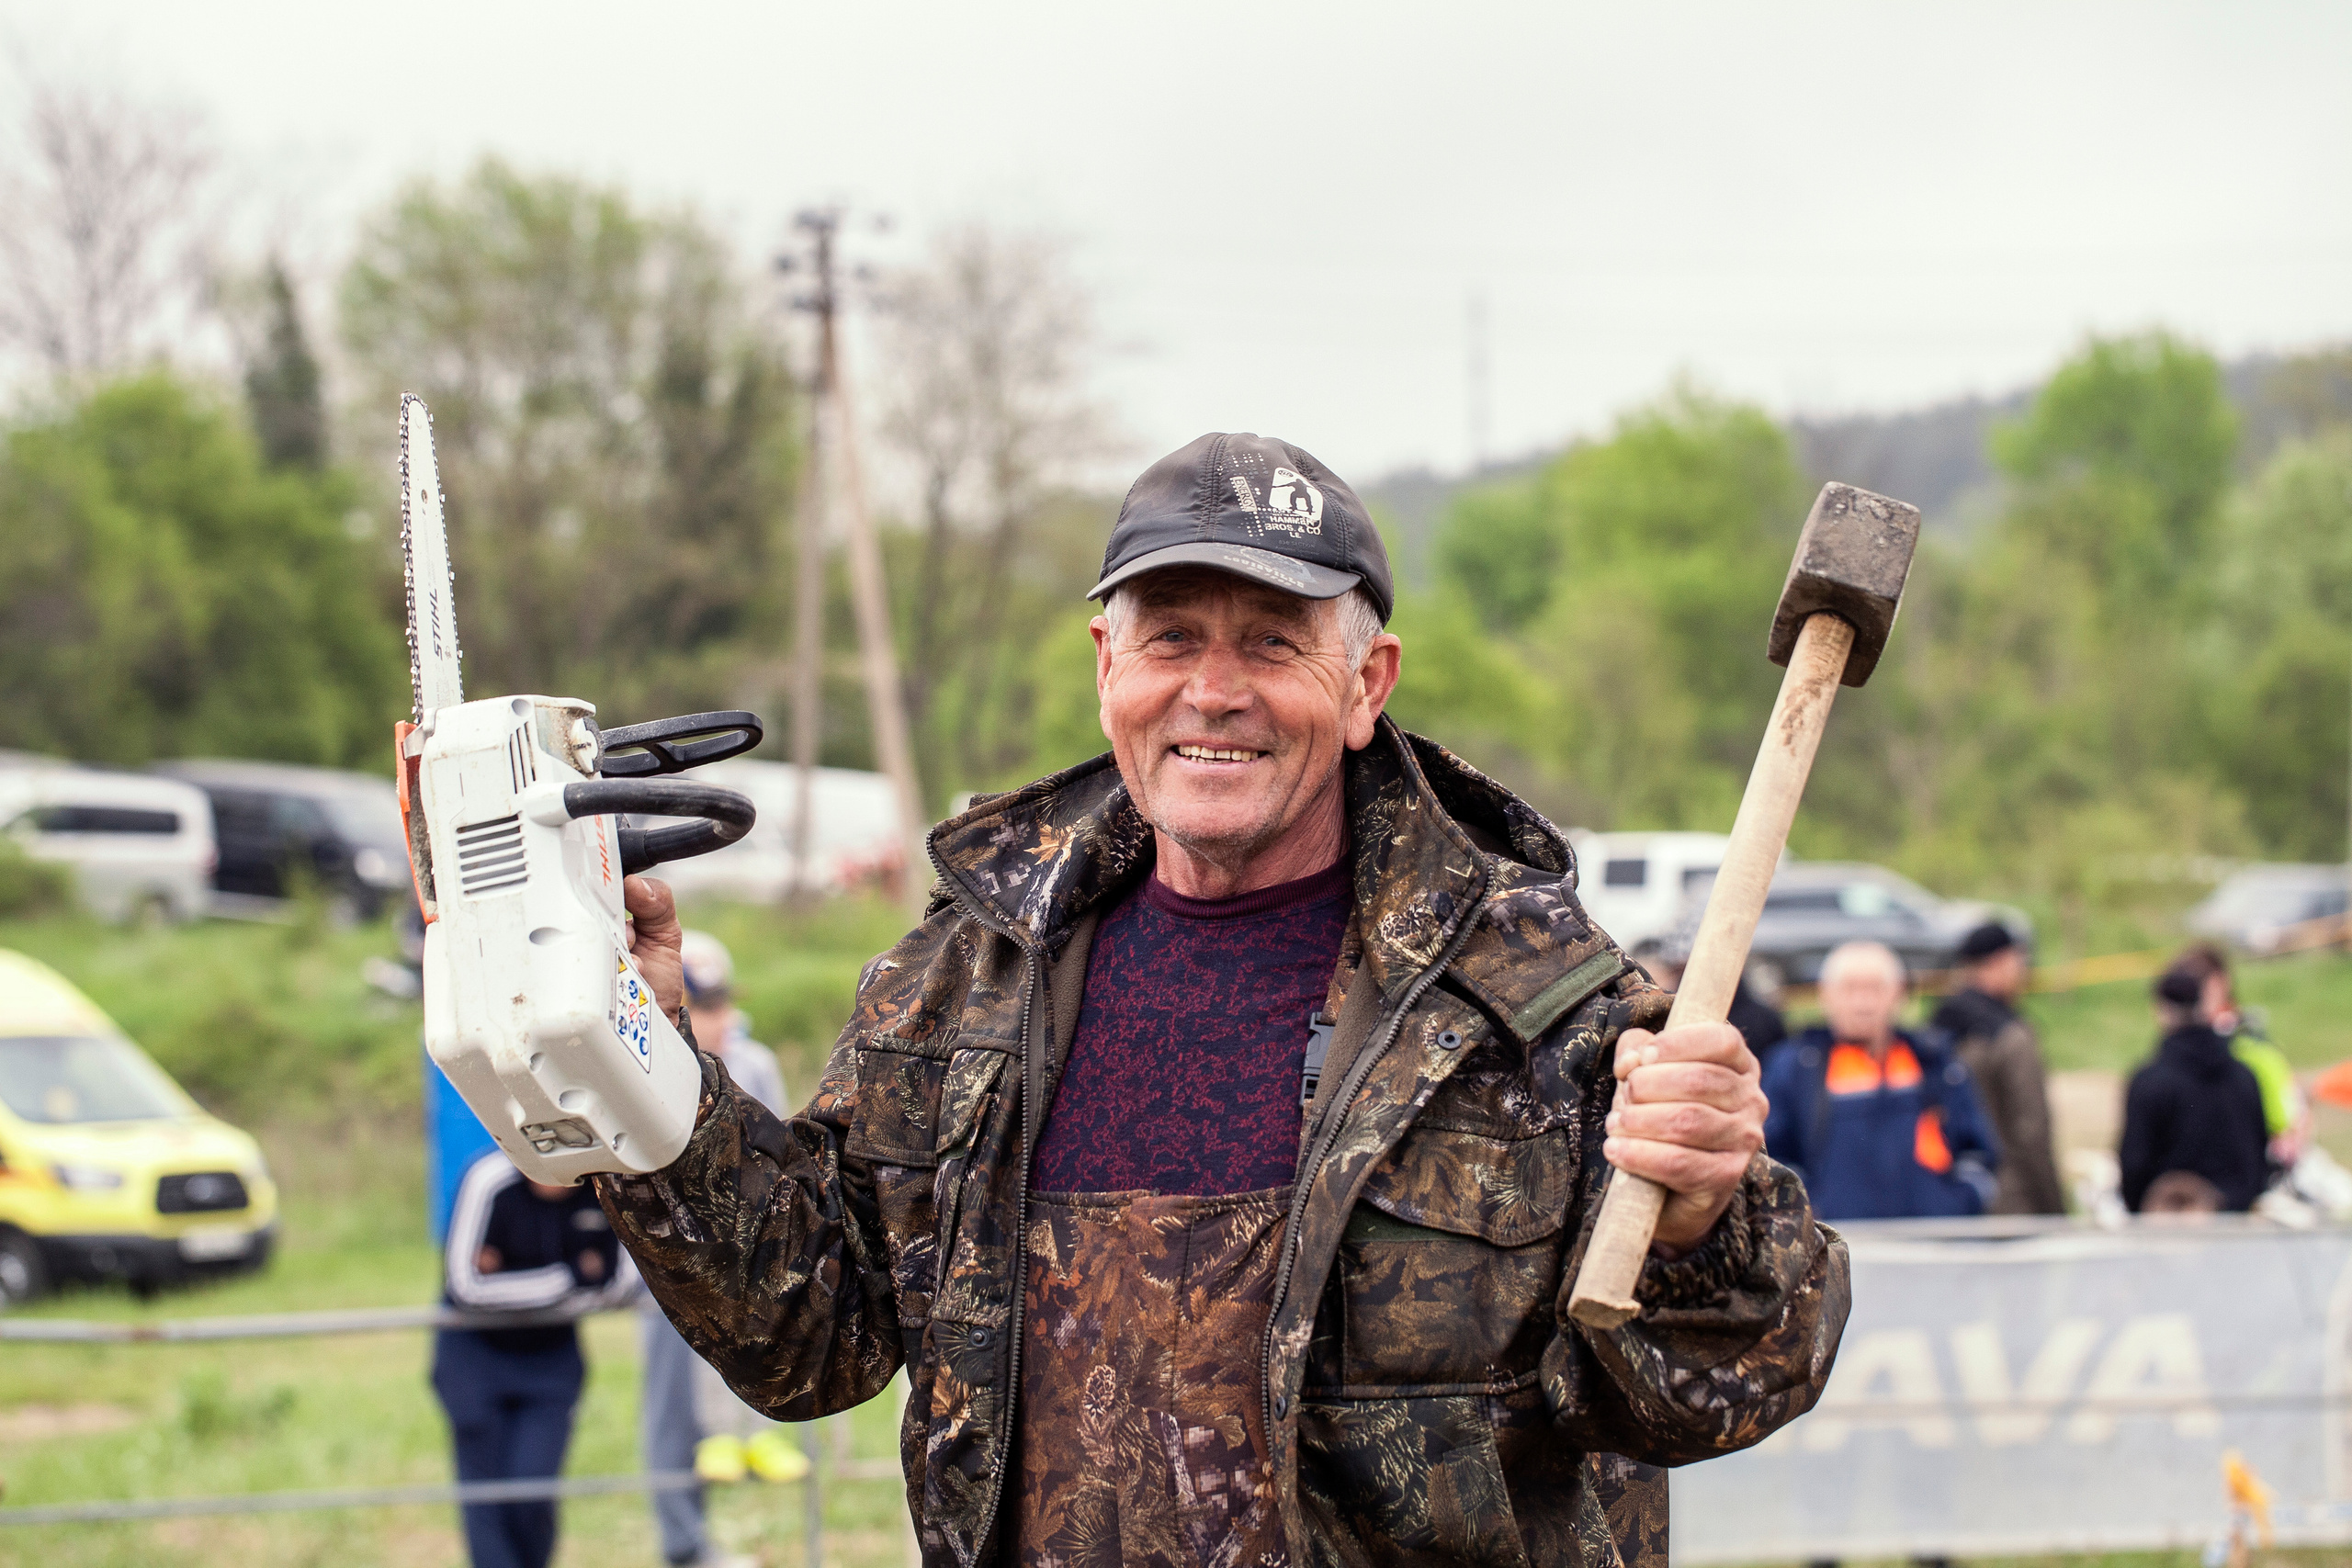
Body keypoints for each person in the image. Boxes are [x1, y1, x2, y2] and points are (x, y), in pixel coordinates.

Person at [595, 432, 1849, 1568]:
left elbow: (1721, 1380)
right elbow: (808, 1333)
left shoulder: (1538, 1003)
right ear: (1108, 666)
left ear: (1368, 684)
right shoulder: (959, 981)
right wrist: (632, 1052)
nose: (1214, 688)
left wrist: (1699, 1220)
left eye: (1272, 640)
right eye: (1173, 635)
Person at [640, 930, 800, 1568]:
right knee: (673, 1413)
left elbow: (785, 1146)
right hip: (672, 1262)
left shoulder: (753, 1061)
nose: (719, 1019)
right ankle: (683, 1544)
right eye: (702, 1006)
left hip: (745, 1258)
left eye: (722, 1003)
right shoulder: (648, 1064)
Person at [435, 1149, 638, 1568]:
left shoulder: (604, 1186)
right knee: (485, 1500)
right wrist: (568, 1276)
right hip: (473, 1360)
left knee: (533, 1491)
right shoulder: (488, 1179)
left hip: (551, 1364)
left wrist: (510, 1275)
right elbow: (466, 1287)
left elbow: (623, 1283)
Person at [1764, 941, 2000, 1220]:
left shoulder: (1934, 1061)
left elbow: (1976, 1150)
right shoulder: (1794, 1067)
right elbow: (1773, 1158)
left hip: (1935, 1244)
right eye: (1850, 989)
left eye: (1875, 989)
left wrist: (1961, 1201)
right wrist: (1804, 1215)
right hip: (1836, 1250)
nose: (1863, 1003)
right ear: (1825, 995)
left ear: (1899, 994)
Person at [1928, 922, 2064, 1215]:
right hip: (2010, 1202)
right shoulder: (2011, 1039)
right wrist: (2055, 1208)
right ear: (1999, 963)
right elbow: (2032, 1133)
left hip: (1950, 1195)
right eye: (2018, 962)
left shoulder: (1936, 1031)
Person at [2118, 969, 2270, 1214]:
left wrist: (2141, 1213)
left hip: (2169, 1230)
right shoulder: (2243, 1077)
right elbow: (2259, 1155)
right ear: (2203, 1004)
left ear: (2161, 1009)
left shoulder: (2149, 1082)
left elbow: (2135, 1163)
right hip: (2235, 1229)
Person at [2167, 942, 2308, 1166]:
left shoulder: (2252, 1048)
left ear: (2219, 985)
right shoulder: (2176, 1050)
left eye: (2191, 986)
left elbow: (2286, 1126)